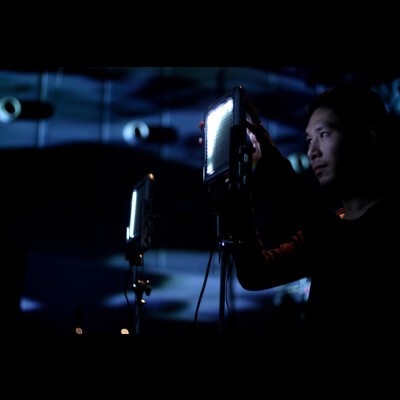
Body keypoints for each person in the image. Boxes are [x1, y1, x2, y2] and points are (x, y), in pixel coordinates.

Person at [211, 81, 399, 341]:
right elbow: (256, 273)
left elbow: (340, 240)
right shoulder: (330, 227)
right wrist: (236, 195)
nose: (312, 151)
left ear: (367, 137)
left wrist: (269, 161)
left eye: (324, 134)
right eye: (309, 140)